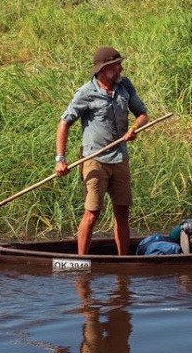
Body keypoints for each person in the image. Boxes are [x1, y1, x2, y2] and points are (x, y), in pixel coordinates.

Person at [55, 46, 149, 256]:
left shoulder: (124, 86)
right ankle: (81, 261)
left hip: (120, 158)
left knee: (122, 211)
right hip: (94, 160)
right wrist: (60, 159)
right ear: (104, 69)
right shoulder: (86, 93)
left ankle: (123, 261)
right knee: (92, 213)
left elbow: (142, 114)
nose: (120, 68)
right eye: (116, 66)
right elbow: (64, 123)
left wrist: (134, 129)